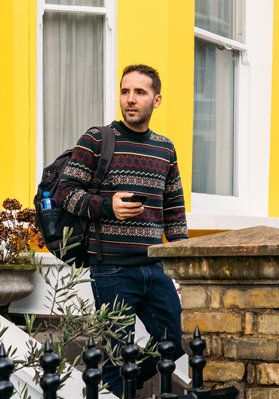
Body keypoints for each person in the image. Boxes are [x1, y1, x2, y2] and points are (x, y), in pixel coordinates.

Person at [56, 64, 188, 396]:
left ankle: (120, 382)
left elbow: (174, 211)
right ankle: (119, 384)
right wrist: (106, 206)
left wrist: (182, 267)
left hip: (155, 268)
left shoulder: (165, 148)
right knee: (118, 355)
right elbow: (64, 191)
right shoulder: (97, 139)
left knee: (178, 341)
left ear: (156, 100)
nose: (130, 99)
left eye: (139, 92)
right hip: (111, 270)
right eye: (125, 91)